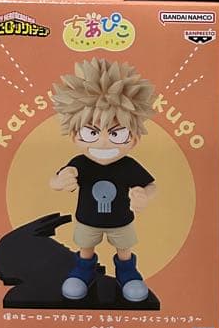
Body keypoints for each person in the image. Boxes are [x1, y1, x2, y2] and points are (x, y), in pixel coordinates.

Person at [50, 58, 157, 302]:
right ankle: (83, 270)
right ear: (74, 135)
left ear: (134, 138)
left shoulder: (128, 166)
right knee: (85, 248)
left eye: (117, 133)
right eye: (92, 132)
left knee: (124, 249)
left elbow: (151, 185)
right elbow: (54, 181)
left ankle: (127, 272)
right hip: (87, 221)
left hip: (122, 221)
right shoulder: (80, 163)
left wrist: (144, 196)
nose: (104, 142)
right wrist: (61, 180)